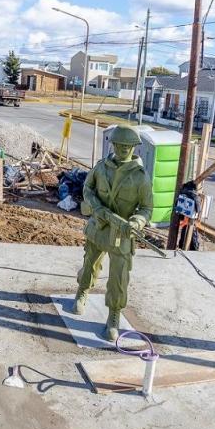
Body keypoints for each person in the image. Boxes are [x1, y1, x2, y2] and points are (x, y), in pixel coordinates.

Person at [73, 125, 153, 341]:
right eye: (119, 145)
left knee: (119, 278)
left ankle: (114, 315)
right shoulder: (101, 168)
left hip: (122, 234)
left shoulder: (140, 177)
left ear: (133, 148)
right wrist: (98, 209)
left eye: (127, 147)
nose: (122, 149)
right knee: (90, 263)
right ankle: (82, 291)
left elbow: (146, 209)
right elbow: (87, 190)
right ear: (113, 145)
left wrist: (136, 222)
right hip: (99, 227)